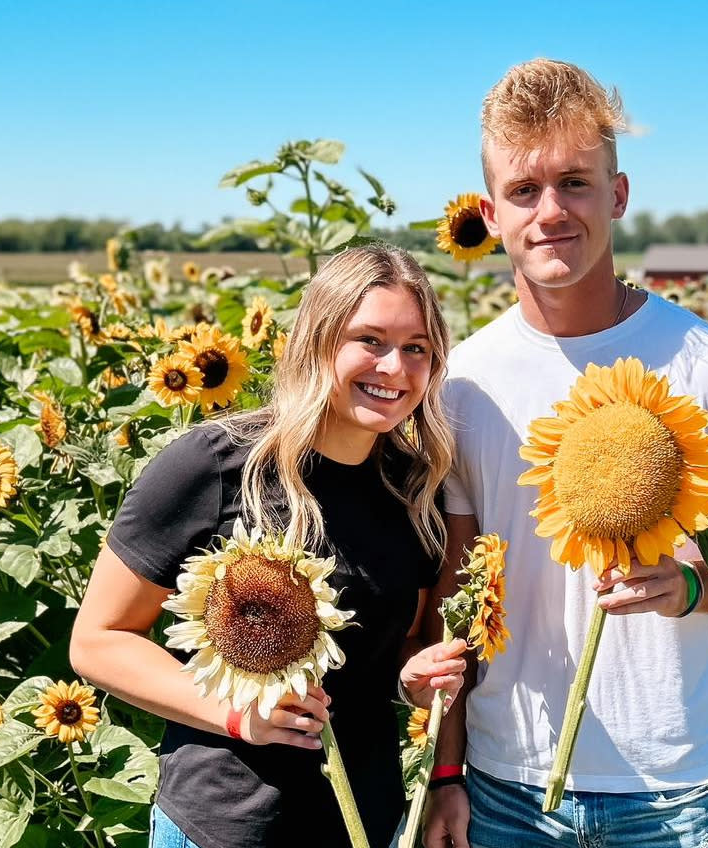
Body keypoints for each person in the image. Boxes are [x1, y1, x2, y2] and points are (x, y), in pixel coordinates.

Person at [422, 59, 708, 848]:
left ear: (618, 193)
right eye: (523, 191)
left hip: (667, 788)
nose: (550, 212)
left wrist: (695, 586)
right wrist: (446, 771)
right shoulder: (464, 382)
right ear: (489, 213)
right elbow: (459, 590)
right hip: (507, 785)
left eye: (574, 182)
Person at [70, 244, 468, 848]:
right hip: (225, 825)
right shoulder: (218, 464)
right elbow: (98, 640)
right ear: (319, 340)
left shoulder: (414, 491)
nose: (395, 367)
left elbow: (395, 645)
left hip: (367, 821)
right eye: (371, 340)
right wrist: (236, 714)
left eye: (416, 348)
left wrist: (411, 676)